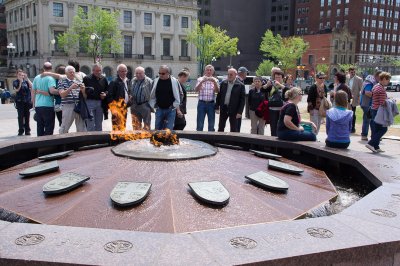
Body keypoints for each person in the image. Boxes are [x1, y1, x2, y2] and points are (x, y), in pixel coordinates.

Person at [366, 72, 391, 153]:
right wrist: (390, 102)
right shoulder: (381, 89)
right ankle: (370, 143)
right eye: (388, 80)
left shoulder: (376, 86)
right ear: (383, 79)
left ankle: (376, 147)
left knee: (376, 129)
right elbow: (382, 103)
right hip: (378, 111)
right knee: (383, 129)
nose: (388, 81)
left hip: (374, 110)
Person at [149, 65, 180, 130]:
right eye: (159, 73)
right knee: (157, 128)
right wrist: (154, 104)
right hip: (159, 109)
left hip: (171, 110)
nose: (160, 75)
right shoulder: (155, 81)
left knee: (169, 129)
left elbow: (181, 94)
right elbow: (151, 94)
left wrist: (175, 105)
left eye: (163, 73)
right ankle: (157, 140)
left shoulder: (175, 81)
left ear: (168, 73)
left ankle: (167, 140)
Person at [58, 65, 87, 134]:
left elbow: (85, 97)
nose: (72, 74)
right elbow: (62, 94)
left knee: (81, 127)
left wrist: (83, 91)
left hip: (79, 106)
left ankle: (81, 141)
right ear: (66, 73)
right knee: (65, 127)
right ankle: (62, 141)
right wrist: (70, 87)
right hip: (68, 106)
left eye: (73, 72)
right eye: (70, 72)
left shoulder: (79, 81)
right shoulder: (61, 81)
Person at [31, 62, 58, 136]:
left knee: (40, 126)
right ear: (51, 68)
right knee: (49, 127)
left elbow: (33, 91)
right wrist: (61, 91)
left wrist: (33, 103)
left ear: (43, 68)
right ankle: (48, 144)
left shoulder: (37, 77)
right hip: (48, 105)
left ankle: (40, 144)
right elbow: (52, 91)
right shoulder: (50, 78)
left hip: (38, 105)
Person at [215, 68, 245, 132]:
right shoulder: (223, 83)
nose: (229, 76)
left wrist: (240, 112)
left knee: (234, 128)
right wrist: (217, 107)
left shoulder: (240, 85)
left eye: (231, 74)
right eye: (228, 74)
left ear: (235, 75)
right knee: (221, 127)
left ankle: (233, 142)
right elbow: (219, 96)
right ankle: (219, 141)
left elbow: (242, 100)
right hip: (224, 108)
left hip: (234, 110)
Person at [83, 63, 109, 131]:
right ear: (93, 70)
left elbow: (107, 90)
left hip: (100, 103)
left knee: (99, 123)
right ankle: (90, 140)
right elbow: (83, 90)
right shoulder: (87, 78)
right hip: (89, 102)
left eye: (100, 70)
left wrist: (105, 94)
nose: (98, 72)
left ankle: (99, 140)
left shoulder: (104, 79)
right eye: (97, 70)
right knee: (90, 123)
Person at [108, 64, 132, 131]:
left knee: (123, 126)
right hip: (116, 109)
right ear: (118, 72)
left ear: (127, 71)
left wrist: (130, 96)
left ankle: (121, 141)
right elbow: (109, 97)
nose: (123, 73)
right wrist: (113, 109)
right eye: (121, 71)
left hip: (124, 108)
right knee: (116, 127)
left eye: (124, 71)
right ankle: (115, 141)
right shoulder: (114, 82)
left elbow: (129, 91)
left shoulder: (128, 81)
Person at [195, 65, 219, 131]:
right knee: (200, 123)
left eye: (210, 70)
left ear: (213, 71)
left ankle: (210, 140)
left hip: (211, 104)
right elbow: (196, 90)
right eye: (207, 70)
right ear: (205, 71)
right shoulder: (200, 79)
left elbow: (217, 91)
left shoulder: (216, 80)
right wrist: (202, 82)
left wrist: (214, 82)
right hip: (201, 103)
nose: (209, 71)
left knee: (211, 124)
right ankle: (199, 138)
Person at [360, 70, 381, 141]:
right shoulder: (370, 82)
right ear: (377, 76)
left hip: (368, 104)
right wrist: (377, 95)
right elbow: (367, 92)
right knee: (369, 120)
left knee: (369, 119)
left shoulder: (373, 81)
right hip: (367, 104)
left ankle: (370, 135)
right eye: (380, 78)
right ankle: (367, 135)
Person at [265, 70, 287, 136]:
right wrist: (266, 85)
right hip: (272, 109)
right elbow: (262, 90)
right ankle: (273, 144)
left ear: (282, 78)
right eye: (276, 77)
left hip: (282, 109)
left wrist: (280, 85)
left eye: (279, 77)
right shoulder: (271, 86)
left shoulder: (284, 86)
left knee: (281, 127)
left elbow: (289, 91)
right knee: (273, 127)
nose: (277, 79)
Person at [130, 66, 153, 130]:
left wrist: (151, 105)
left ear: (144, 73)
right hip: (134, 106)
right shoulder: (133, 80)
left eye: (140, 73)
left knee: (147, 126)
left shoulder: (149, 81)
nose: (138, 75)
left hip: (145, 105)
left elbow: (153, 94)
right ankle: (136, 139)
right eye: (137, 73)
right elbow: (130, 91)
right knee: (136, 126)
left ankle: (146, 139)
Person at [13, 69, 32, 136]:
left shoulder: (26, 82)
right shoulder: (15, 82)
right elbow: (17, 90)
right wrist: (20, 82)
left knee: (27, 116)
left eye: (22, 75)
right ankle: (21, 130)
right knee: (20, 116)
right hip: (20, 101)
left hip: (27, 101)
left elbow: (32, 86)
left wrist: (27, 79)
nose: (21, 76)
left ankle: (27, 130)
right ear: (17, 75)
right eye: (19, 75)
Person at [347, 67, 363, 133]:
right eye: (351, 72)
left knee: (353, 113)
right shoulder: (347, 78)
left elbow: (361, 90)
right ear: (349, 72)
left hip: (354, 99)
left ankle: (352, 128)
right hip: (346, 98)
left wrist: (359, 98)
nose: (353, 73)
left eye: (354, 72)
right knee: (346, 113)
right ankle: (347, 127)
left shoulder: (359, 79)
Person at [237, 66, 249, 130]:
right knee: (236, 125)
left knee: (238, 124)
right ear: (242, 73)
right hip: (237, 107)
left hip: (239, 106)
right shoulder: (238, 81)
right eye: (246, 73)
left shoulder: (241, 81)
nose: (246, 75)